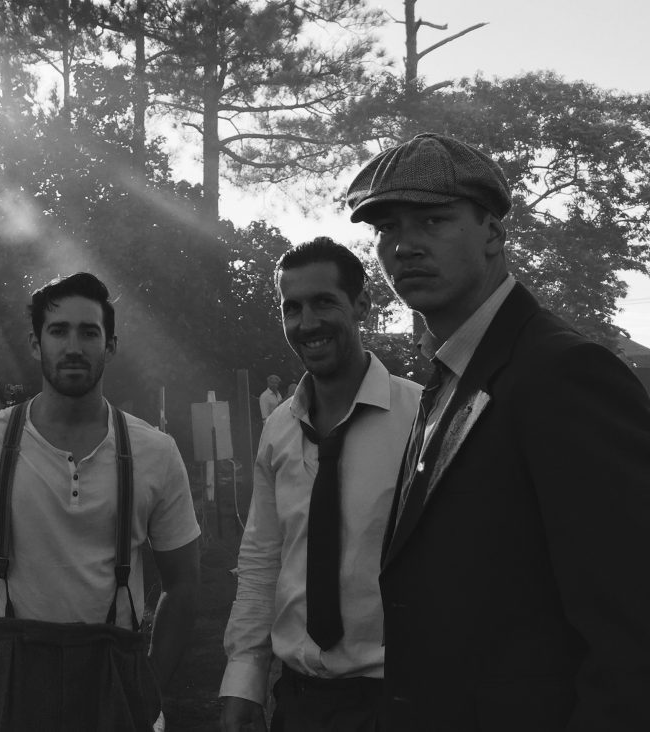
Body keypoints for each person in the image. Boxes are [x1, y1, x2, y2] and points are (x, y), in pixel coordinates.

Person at [347, 132, 650, 730]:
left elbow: (633, 634)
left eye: (433, 220)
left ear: (493, 232)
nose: (404, 245)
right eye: (386, 228)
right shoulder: (451, 373)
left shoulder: (564, 373)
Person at [0, 272, 201, 731]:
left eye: (89, 332)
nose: (73, 347)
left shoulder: (155, 452)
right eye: (58, 331)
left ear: (110, 346)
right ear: (36, 344)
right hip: (10, 679)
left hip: (116, 676)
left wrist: (147, 689)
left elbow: (184, 583)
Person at [220, 239, 421, 732]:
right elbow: (263, 558)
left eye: (324, 302)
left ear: (362, 304)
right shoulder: (279, 430)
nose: (307, 323)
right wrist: (244, 678)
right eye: (292, 308)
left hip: (402, 698)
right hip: (299, 702)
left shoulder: (423, 418)